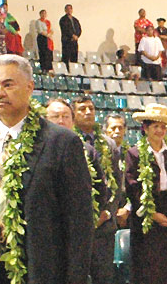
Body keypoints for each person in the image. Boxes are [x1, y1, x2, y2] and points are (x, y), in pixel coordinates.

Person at [0, 54, 93, 284]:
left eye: (8, 85)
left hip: (42, 272)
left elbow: (79, 223)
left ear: (29, 87)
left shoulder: (62, 143)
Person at [46, 98, 110, 283]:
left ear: (73, 121)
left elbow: (100, 187)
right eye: (55, 116)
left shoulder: (87, 151)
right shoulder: (34, 151)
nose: (61, 121)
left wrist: (93, 217)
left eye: (65, 116)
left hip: (78, 233)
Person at [126, 103, 167, 284]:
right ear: (145, 128)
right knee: (147, 268)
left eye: (163, 126)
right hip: (146, 217)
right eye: (156, 126)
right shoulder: (134, 154)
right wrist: (154, 215)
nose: (160, 130)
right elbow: (132, 187)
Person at [72, 96, 123, 284]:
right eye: (82, 109)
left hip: (104, 227)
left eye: (91, 108)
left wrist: (107, 212)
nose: (88, 112)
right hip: (77, 226)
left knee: (103, 277)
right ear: (73, 114)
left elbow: (117, 184)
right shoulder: (68, 142)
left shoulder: (108, 145)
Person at [104, 113, 131, 228]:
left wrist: (127, 209)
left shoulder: (131, 154)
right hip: (105, 215)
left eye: (120, 128)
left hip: (128, 215)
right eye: (113, 128)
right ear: (105, 130)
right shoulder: (99, 153)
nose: (117, 131)